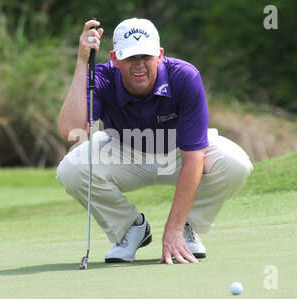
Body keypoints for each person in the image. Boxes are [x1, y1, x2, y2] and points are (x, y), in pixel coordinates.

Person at [56, 18, 253, 265]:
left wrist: (172, 229)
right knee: (71, 170)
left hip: (178, 153)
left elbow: (193, 156)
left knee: (236, 164)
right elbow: (71, 131)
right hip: (123, 151)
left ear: (159, 56)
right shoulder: (102, 78)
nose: (139, 65)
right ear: (114, 59)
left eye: (145, 56)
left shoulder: (184, 76)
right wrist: (82, 63)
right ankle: (131, 229)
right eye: (130, 58)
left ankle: (186, 227)